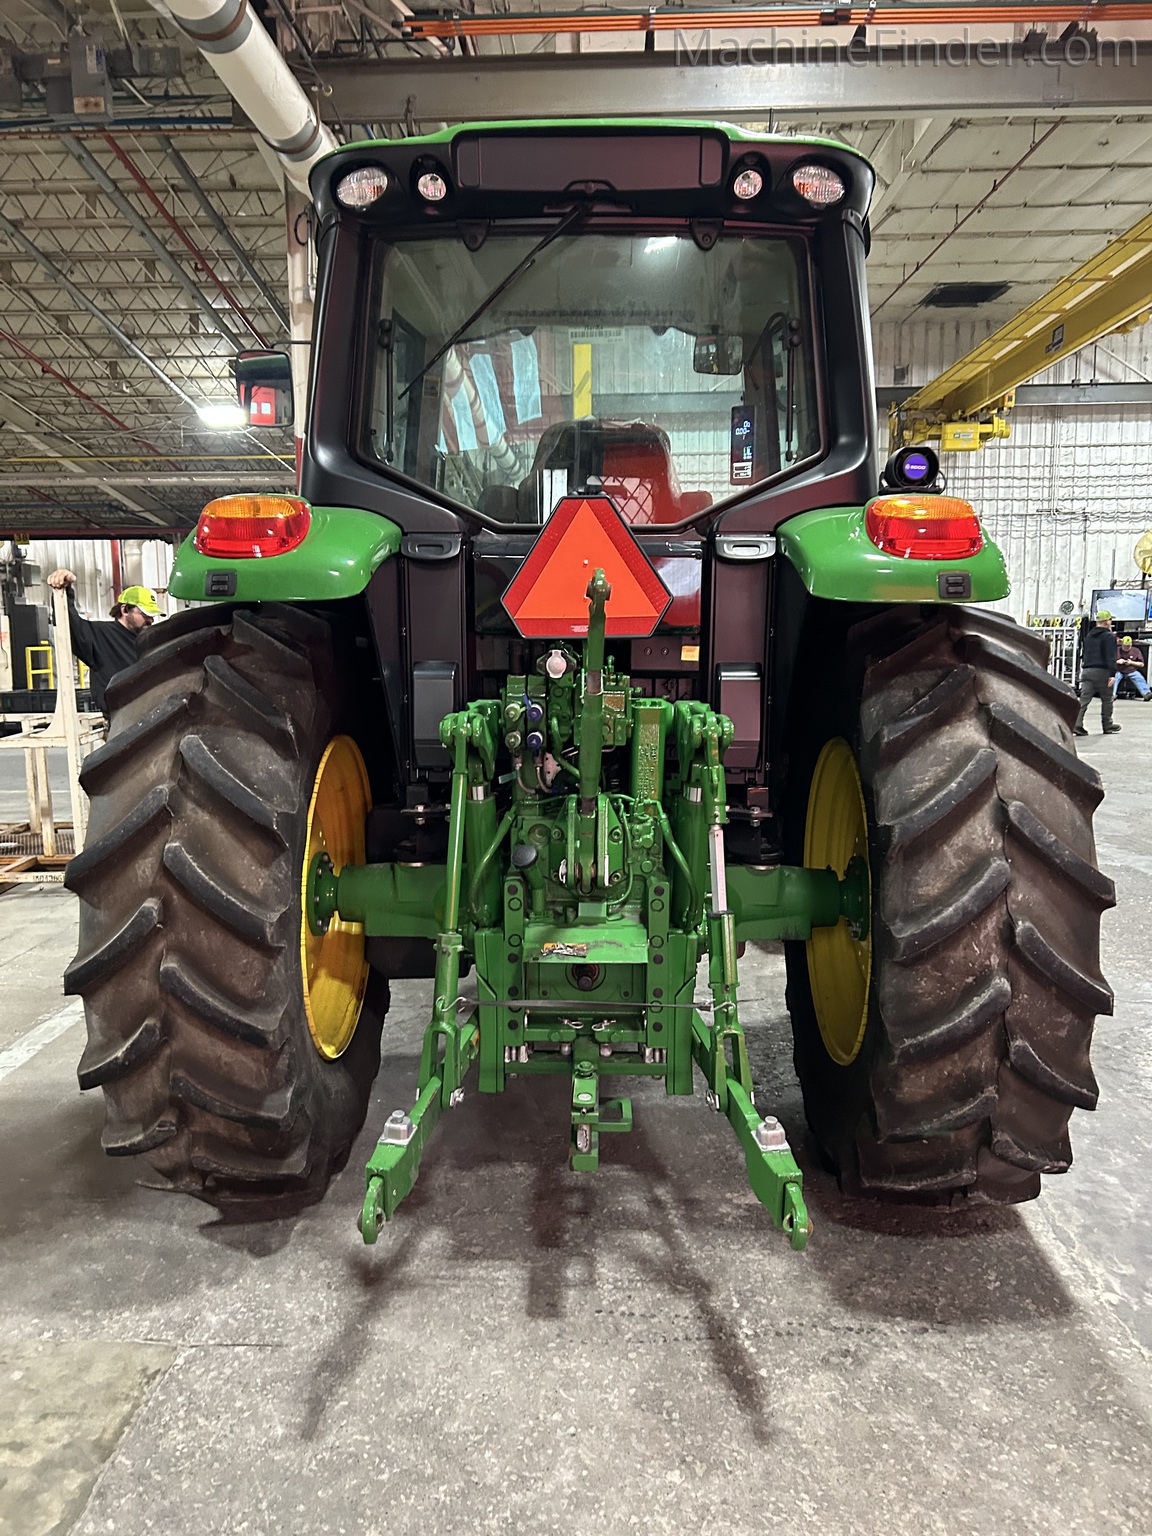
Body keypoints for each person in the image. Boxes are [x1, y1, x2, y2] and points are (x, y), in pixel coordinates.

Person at [46, 569, 159, 717]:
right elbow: (70, 625)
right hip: (120, 720)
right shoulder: (99, 635)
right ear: (125, 610)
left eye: (152, 615)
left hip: (150, 714)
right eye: (145, 615)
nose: (150, 620)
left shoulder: (149, 640)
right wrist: (64, 592)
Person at [1074, 610, 1121, 736]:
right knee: (1107, 699)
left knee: (1084, 699)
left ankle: (1077, 724)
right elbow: (1110, 656)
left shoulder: (1089, 636)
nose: (1111, 622)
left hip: (1087, 671)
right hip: (1102, 671)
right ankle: (1107, 725)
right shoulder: (1109, 636)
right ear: (1106, 622)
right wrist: (1112, 674)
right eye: (1110, 620)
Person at [1113, 634, 1151, 699]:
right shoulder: (1116, 650)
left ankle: (1146, 693)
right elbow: (1108, 661)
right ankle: (1112, 694)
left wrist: (1131, 662)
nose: (1127, 648)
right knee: (1114, 678)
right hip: (1118, 670)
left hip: (1131, 670)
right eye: (1125, 646)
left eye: (1128, 646)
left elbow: (1141, 664)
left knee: (1139, 678)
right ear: (1122, 644)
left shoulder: (1136, 651)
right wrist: (1117, 661)